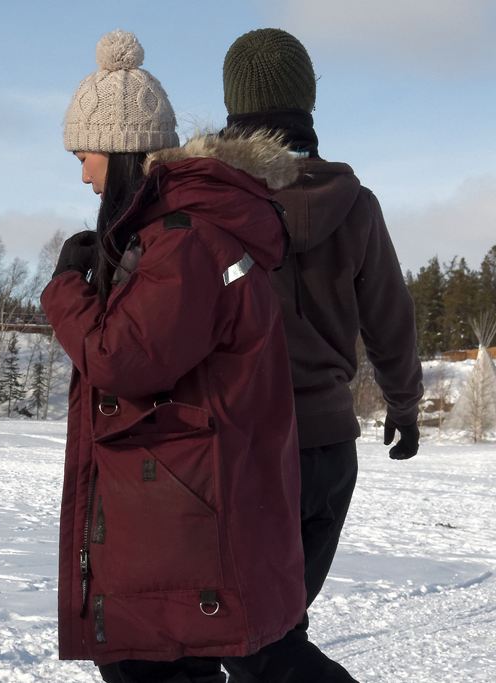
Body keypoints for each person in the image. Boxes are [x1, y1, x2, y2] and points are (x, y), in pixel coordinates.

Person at [42, 31, 305, 682]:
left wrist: (64, 290)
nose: (82, 174)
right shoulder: (178, 235)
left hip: (174, 527)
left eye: (87, 155)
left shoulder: (184, 242)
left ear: (123, 151)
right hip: (169, 518)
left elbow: (122, 358)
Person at [218, 29, 423, 683]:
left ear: (233, 109)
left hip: (250, 455)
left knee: (253, 645)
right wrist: (405, 405)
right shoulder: (356, 206)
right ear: (307, 106)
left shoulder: (212, 205)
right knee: (273, 635)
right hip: (331, 454)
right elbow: (392, 320)